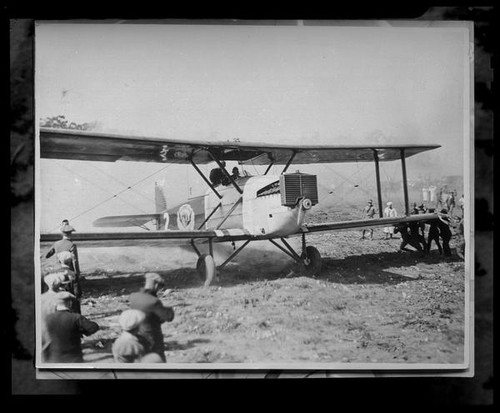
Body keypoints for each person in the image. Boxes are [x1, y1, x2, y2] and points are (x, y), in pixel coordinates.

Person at [41, 292, 99, 363]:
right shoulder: (76, 318)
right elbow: (94, 327)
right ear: (70, 303)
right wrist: (82, 331)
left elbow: (43, 339)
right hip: (74, 359)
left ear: (56, 304)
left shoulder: (48, 319)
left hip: (54, 359)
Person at [129, 273, 175, 362]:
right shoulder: (154, 302)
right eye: (159, 287)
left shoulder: (133, 297)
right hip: (152, 338)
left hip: (137, 336)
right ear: (156, 285)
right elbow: (168, 316)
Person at [45, 222, 82, 313]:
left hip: (59, 271)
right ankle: (76, 314)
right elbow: (75, 261)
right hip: (70, 271)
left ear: (62, 233)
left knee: (60, 293)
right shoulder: (72, 245)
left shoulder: (56, 244)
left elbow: (47, 255)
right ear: (70, 233)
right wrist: (77, 273)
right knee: (75, 295)